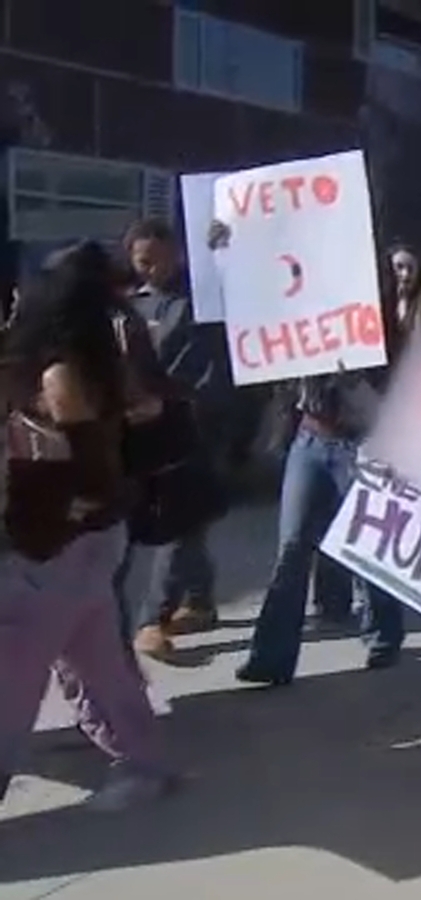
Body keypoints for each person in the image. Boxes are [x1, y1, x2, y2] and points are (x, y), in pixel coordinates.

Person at [0, 241, 175, 811]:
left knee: (15, 675)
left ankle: (142, 765)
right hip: (90, 538)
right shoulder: (94, 354)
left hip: (60, 541)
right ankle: (143, 765)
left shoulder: (58, 372)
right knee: (96, 664)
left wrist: (85, 500)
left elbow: (89, 462)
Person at [233, 243, 409, 685]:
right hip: (312, 439)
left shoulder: (387, 333)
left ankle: (384, 634)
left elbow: (391, 404)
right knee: (292, 548)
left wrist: (356, 375)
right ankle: (271, 657)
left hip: (363, 444)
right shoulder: (305, 317)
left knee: (368, 550)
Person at [117, 218, 232, 660]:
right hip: (144, 429)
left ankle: (152, 618)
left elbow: (195, 367)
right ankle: (200, 600)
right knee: (189, 521)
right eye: (142, 261)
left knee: (177, 521)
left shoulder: (200, 301)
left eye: (159, 260)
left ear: (178, 255)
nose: (151, 269)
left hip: (191, 424)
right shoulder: (130, 304)